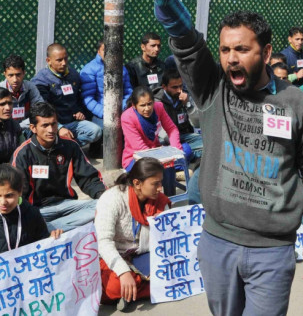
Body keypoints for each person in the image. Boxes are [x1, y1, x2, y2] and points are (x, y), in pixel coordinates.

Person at [131, 0, 303, 315]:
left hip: (272, 251)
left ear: (266, 51)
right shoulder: (211, 88)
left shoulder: (298, 104)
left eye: (242, 49)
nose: (231, 58)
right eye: (225, 50)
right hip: (217, 243)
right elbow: (183, 35)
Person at [11, 102, 105, 231]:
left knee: (104, 206)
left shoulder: (70, 146)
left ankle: (52, 230)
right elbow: (19, 193)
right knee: (24, 224)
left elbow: (89, 178)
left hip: (68, 205)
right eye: (45, 125)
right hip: (38, 210)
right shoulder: (22, 154)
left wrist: (104, 194)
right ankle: (58, 228)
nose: (51, 130)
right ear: (33, 128)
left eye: (53, 124)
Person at [95, 158, 171, 310]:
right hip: (115, 256)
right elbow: (103, 242)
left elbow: (168, 240)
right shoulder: (112, 199)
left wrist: (160, 227)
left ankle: (132, 293)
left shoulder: (160, 202)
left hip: (144, 255)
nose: (160, 188)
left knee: (175, 270)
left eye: (160, 182)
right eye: (155, 184)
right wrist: (123, 272)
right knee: (114, 286)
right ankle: (147, 287)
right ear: (137, 183)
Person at [0, 164, 62, 265]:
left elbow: (42, 248)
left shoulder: (32, 214)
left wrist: (51, 241)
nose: (3, 202)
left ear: (20, 192)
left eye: (9, 196)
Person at [32, 43, 103, 145]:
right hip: (52, 125)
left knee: (96, 131)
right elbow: (42, 108)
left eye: (65, 59)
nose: (64, 63)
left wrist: (79, 111)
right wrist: (59, 128)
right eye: (59, 60)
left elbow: (79, 98)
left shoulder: (73, 75)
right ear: (49, 61)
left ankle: (69, 146)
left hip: (72, 122)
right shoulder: (41, 80)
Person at [121, 86, 190, 172]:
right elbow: (139, 148)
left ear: (153, 102)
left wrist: (177, 152)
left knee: (186, 149)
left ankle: (168, 170)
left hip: (158, 151)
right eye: (142, 105)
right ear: (134, 106)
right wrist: (162, 159)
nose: (147, 108)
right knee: (147, 168)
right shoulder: (127, 117)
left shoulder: (159, 107)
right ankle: (171, 170)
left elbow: (172, 129)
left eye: (149, 104)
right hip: (137, 158)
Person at [80, 38, 134, 128]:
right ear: (98, 51)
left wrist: (122, 108)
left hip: (120, 111)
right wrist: (104, 113)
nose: (109, 53)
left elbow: (128, 92)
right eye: (105, 50)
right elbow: (87, 98)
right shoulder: (89, 69)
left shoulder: (122, 68)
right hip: (99, 114)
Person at [154, 68, 204, 157]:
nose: (179, 90)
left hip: (184, 136)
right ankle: (188, 153)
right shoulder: (157, 101)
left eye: (180, 86)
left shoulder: (186, 96)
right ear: (164, 87)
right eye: (174, 87)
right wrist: (174, 142)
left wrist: (188, 105)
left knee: (207, 143)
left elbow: (197, 124)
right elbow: (159, 130)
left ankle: (187, 153)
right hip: (165, 138)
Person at [0, 54, 44, 129]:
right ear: (5, 74)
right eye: (11, 75)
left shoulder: (30, 88)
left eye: (18, 75)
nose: (15, 80)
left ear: (24, 73)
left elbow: (40, 111)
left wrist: (20, 126)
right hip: (5, 130)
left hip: (28, 129)